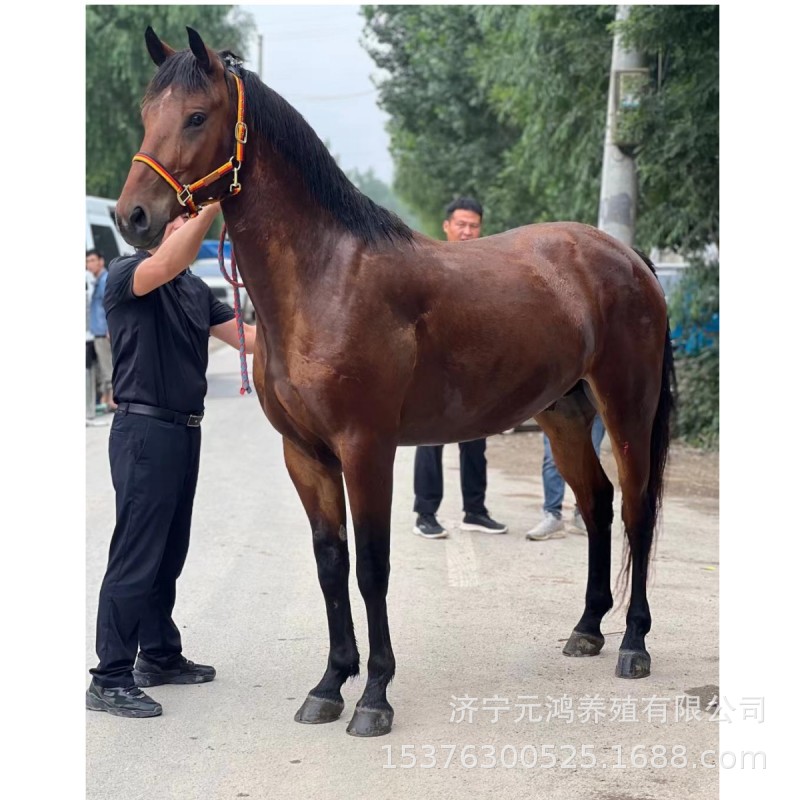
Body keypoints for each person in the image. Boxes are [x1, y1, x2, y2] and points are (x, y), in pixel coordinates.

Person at [86, 204, 257, 718]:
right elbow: (165, 262)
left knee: (168, 551)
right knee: (136, 553)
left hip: (185, 432)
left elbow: (250, 341)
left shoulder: (196, 291)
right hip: (143, 431)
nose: (190, 224)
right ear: (161, 230)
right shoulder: (128, 273)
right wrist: (214, 202)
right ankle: (110, 675)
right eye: (181, 219)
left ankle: (158, 655)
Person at [412, 196, 507, 540]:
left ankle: (476, 511)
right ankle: (425, 513)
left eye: (474, 226)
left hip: (474, 374)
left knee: (475, 442)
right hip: (434, 371)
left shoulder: (487, 269)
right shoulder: (428, 263)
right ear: (447, 227)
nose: (467, 232)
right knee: (429, 442)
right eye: (461, 225)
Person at [525, 416, 605, 540]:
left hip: (594, 403)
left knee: (590, 460)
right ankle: (552, 516)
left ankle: (583, 515)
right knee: (553, 459)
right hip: (558, 402)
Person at [86, 249, 115, 411]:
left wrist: (109, 328)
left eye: (91, 260)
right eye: (87, 261)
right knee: (104, 367)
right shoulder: (97, 280)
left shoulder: (104, 280)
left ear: (101, 261)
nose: (88, 264)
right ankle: (107, 399)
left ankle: (112, 401)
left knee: (107, 366)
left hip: (104, 331)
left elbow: (109, 305)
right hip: (98, 331)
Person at [85, 268, 106, 427]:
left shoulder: (91, 278)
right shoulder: (91, 278)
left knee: (93, 372)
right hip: (92, 333)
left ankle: (90, 410)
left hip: (93, 334)